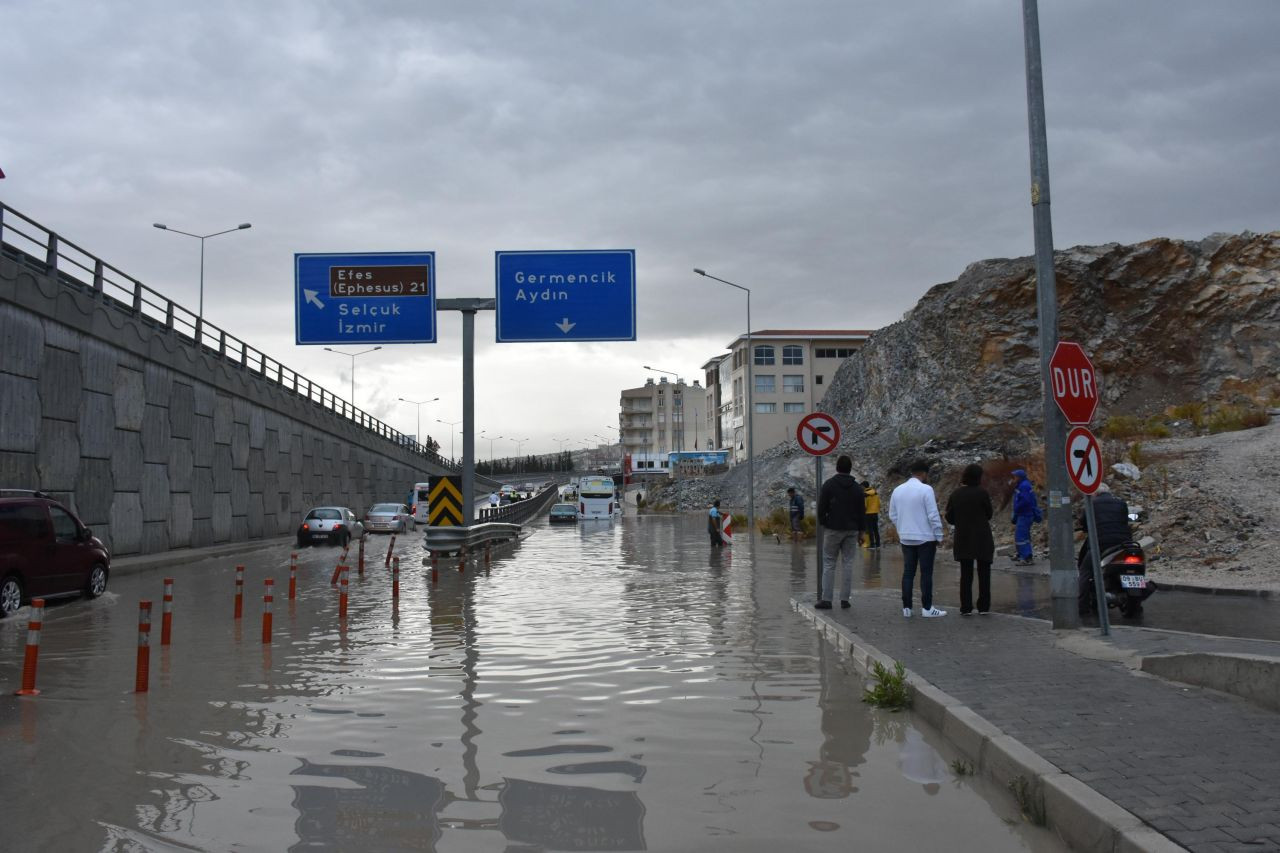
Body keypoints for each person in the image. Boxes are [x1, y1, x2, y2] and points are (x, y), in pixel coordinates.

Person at [889, 459, 946, 618]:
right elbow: (933, 515)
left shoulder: (897, 490)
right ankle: (927, 608)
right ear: (923, 473)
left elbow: (892, 514)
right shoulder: (926, 489)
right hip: (925, 538)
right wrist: (939, 535)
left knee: (908, 573)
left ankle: (907, 608)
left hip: (906, 537)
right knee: (926, 573)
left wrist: (901, 528)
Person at [815, 455, 865, 610]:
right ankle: (845, 599)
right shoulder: (857, 488)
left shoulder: (829, 485)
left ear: (837, 468)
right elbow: (862, 512)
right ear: (850, 469)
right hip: (852, 530)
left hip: (833, 529)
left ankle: (827, 600)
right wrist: (862, 532)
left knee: (829, 562)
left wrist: (825, 523)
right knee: (848, 563)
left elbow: (821, 508)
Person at [945, 463, 995, 615]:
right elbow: (989, 514)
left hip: (963, 537)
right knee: (984, 573)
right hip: (982, 537)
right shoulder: (982, 493)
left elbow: (949, 517)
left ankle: (966, 606)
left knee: (966, 575)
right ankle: (984, 606)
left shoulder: (956, 494)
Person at [1077, 483, 1133, 615]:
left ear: (1095, 494)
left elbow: (1085, 524)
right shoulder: (1121, 503)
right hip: (1124, 544)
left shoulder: (1091, 505)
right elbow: (1125, 521)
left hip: (1101, 545)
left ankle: (1083, 608)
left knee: (1085, 572)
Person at [1010, 468, 1042, 565]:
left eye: (1015, 476)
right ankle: (1024, 555)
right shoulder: (1023, 485)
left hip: (1025, 515)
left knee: (1021, 537)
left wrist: (1017, 509)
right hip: (1024, 514)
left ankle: (1025, 558)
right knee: (1024, 537)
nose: (1013, 478)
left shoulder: (1024, 486)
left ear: (1019, 477)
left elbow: (1025, 501)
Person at [861, 481, 881, 548]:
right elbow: (879, 503)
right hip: (875, 513)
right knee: (875, 529)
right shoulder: (875, 493)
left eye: (862, 486)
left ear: (864, 486)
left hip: (868, 514)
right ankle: (878, 544)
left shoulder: (865, 495)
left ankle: (872, 544)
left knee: (869, 530)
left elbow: (865, 505)